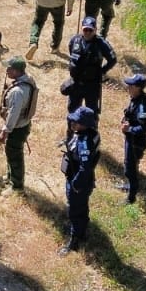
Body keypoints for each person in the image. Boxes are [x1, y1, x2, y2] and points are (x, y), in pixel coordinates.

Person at [0, 56, 39, 194]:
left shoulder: (17, 92)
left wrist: (5, 131)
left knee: (15, 156)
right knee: (11, 152)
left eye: (9, 68)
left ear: (17, 71)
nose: (7, 70)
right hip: (22, 125)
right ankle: (10, 176)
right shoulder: (27, 80)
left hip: (17, 128)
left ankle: (17, 185)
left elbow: (13, 114)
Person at [61, 106, 100, 256]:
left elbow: (85, 167)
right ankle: (81, 231)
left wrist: (76, 184)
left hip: (79, 182)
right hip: (83, 181)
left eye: (77, 121)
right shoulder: (90, 133)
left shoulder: (85, 142)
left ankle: (74, 241)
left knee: (75, 211)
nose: (73, 123)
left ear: (85, 124)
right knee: (82, 208)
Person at [65, 16, 117, 117]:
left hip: (92, 85)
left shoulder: (101, 43)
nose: (87, 32)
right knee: (72, 112)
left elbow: (112, 59)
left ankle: (91, 132)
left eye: (90, 30)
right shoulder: (75, 40)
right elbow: (71, 53)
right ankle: (71, 132)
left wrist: (102, 71)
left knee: (91, 114)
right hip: (76, 83)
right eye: (85, 29)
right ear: (82, 29)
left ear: (95, 30)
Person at [118, 74, 146, 204]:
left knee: (130, 169)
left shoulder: (142, 105)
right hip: (131, 140)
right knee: (130, 166)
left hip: (136, 142)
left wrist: (129, 129)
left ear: (138, 87)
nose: (128, 87)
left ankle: (131, 197)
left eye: (131, 85)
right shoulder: (136, 98)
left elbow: (144, 128)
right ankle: (129, 186)